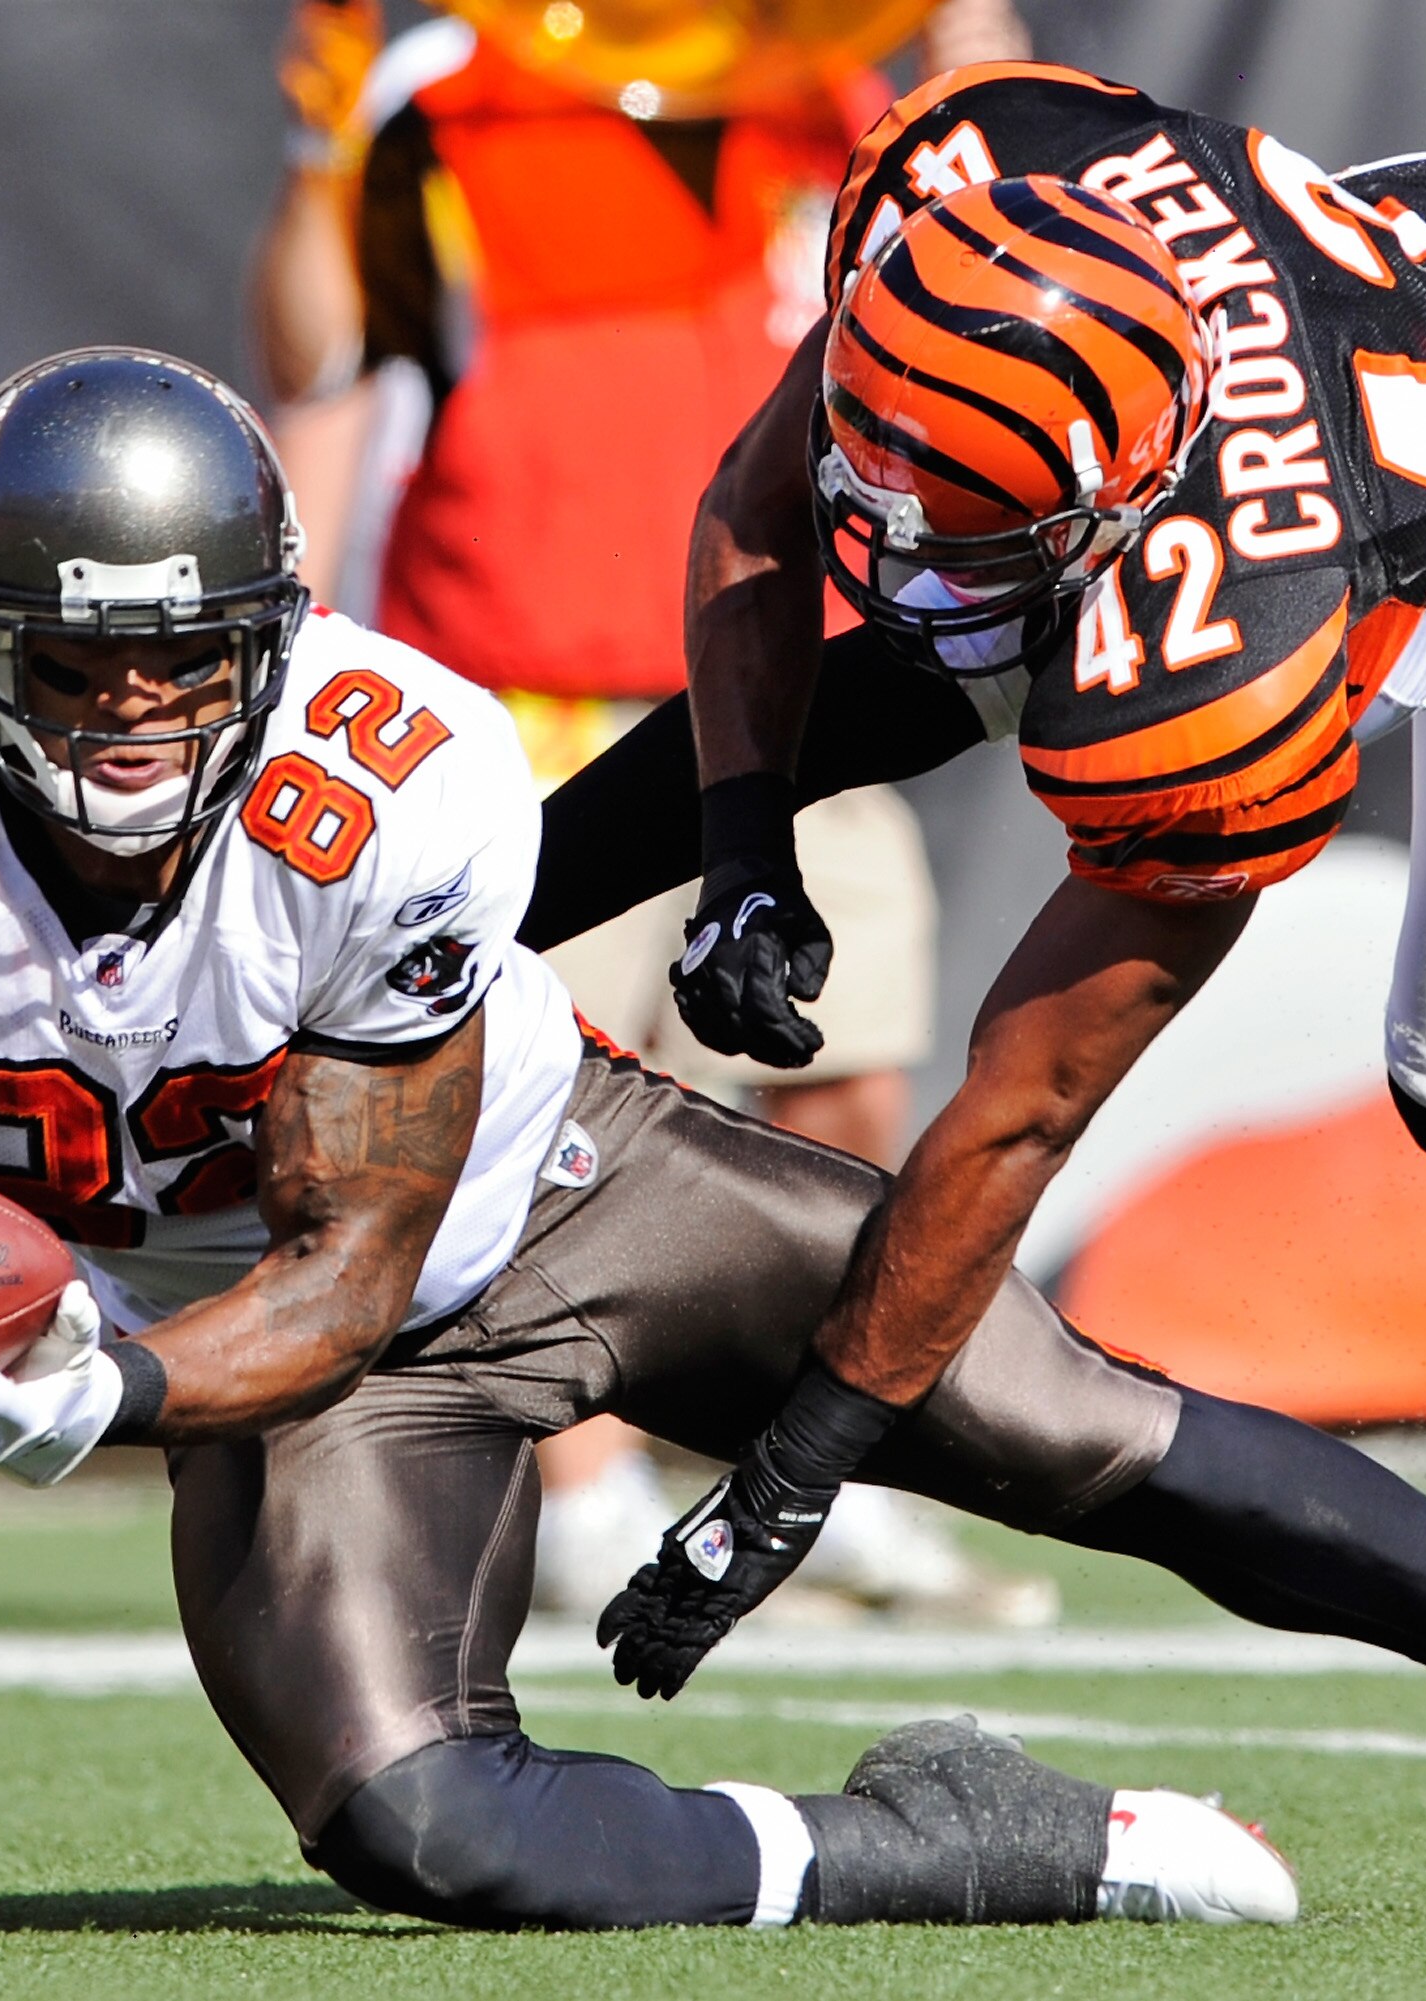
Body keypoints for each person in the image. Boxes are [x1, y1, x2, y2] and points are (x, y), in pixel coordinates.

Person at [0, 348, 1426, 1930]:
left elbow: (360, 1247)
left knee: (1079, 1424)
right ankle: (949, 1839)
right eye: (72, 663)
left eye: (178, 659)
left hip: (542, 1198)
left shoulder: (394, 768)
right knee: (421, 1829)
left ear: (271, 637)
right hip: (305, 1352)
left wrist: (110, 1387)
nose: (132, 715)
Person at [525, 61, 1426, 1664]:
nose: (889, 544)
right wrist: (740, 852)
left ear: (1127, 504)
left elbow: (1025, 1106)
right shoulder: (977, 197)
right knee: (956, 646)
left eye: (956, 528)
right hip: (1402, 255)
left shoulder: (1229, 666)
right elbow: (761, 516)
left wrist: (795, 1472)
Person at [247, 0, 1027, 1618]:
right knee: (516, 1117)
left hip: (796, 693)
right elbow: (313, 359)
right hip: (523, 699)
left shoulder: (827, 93)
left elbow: (999, 168)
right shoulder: (452, 103)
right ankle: (587, 1482)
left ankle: (821, 1470)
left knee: (850, 1091)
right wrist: (327, 157)